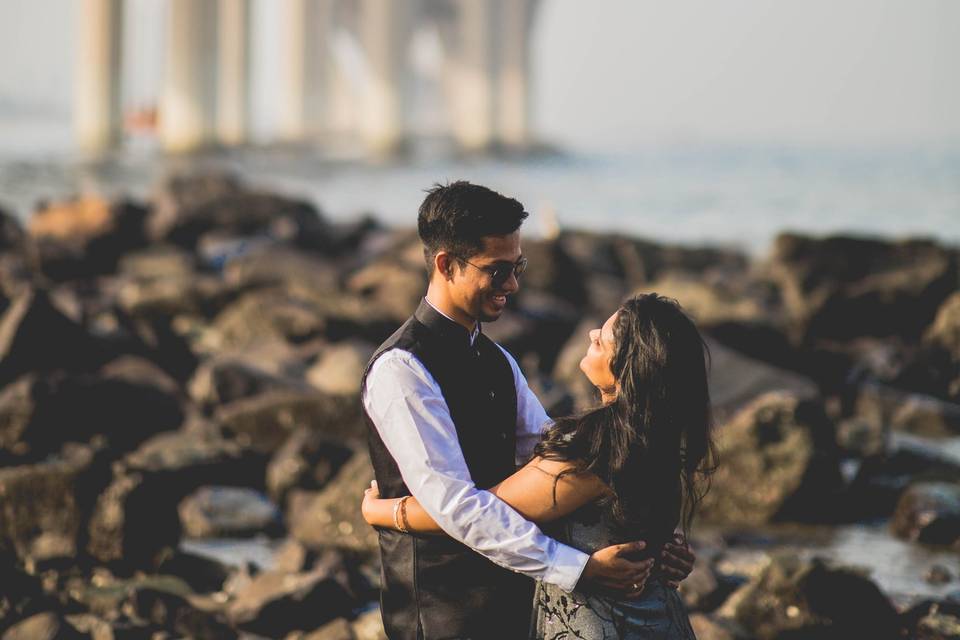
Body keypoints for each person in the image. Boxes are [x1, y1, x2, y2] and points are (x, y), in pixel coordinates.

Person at [361, 182, 695, 639]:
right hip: (442, 609)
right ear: (446, 265)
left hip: (517, 602)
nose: (513, 285)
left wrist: (651, 538)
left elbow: (554, 460)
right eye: (498, 271)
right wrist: (578, 568)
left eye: (517, 267)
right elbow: (457, 506)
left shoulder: (498, 362)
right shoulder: (401, 369)